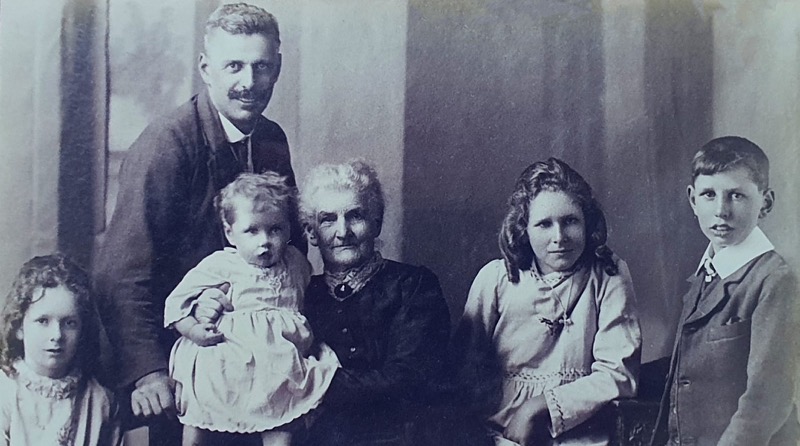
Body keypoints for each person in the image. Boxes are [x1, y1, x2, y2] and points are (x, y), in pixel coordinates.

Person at [92, 3, 299, 444]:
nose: (249, 82)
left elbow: (289, 244)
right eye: (234, 66)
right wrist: (148, 372)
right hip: (186, 364)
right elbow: (120, 273)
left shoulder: (271, 139)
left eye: (261, 66)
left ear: (277, 68)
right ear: (206, 69)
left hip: (258, 361)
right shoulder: (166, 144)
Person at [453, 157, 641, 446]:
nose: (559, 237)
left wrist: (538, 406)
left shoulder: (608, 274)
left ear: (587, 222)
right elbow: (465, 371)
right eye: (544, 224)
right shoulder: (497, 279)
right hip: (499, 431)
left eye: (570, 221)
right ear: (523, 228)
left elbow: (618, 373)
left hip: (581, 430)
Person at [163, 173, 338, 446]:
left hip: (276, 361)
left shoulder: (295, 262)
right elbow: (176, 304)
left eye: (275, 229)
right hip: (227, 357)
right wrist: (195, 331)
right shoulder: (222, 264)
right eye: (252, 231)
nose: (264, 240)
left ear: (288, 230)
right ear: (230, 233)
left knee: (284, 417)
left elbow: (303, 298)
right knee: (200, 408)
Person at [650, 137, 799, 446]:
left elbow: (766, 400)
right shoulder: (707, 272)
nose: (721, 210)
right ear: (693, 200)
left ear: (766, 203)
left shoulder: (775, 280)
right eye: (709, 194)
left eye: (737, 195)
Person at [297, 160, 451, 445]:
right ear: (311, 233)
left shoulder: (413, 286)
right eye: (328, 219)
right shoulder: (303, 293)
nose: (343, 232)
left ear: (377, 223)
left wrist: (309, 385)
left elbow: (409, 378)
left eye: (355, 216)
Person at [0, 254, 121, 445]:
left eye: (69, 323)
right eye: (43, 321)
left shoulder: (100, 402)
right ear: (19, 327)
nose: (57, 335)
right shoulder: (4, 393)